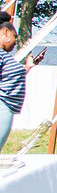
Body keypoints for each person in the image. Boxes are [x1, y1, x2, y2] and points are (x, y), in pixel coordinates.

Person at [0, 15, 23, 147]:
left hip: (6, 107)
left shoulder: (3, 55)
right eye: (15, 36)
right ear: (5, 32)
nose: (15, 41)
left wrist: (27, 68)